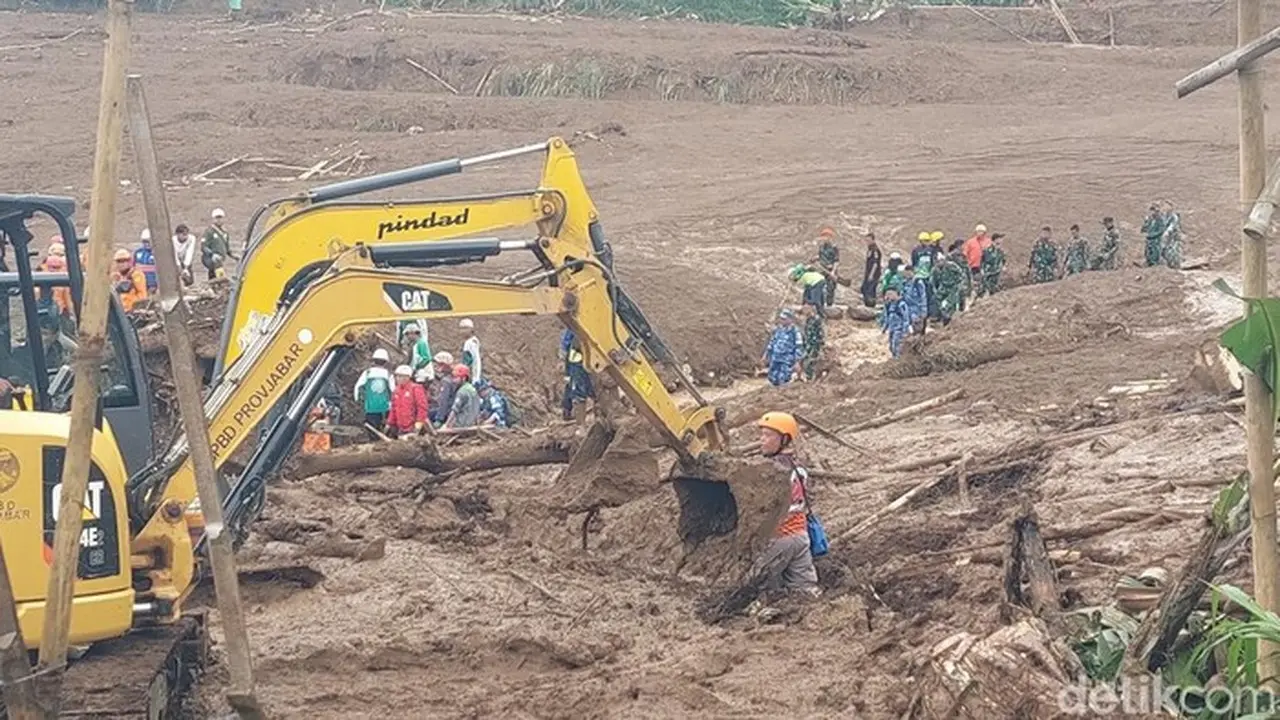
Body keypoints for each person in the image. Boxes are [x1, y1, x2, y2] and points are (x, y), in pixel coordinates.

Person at [748, 412, 818, 594]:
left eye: (768, 435)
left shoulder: (771, 470)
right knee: (806, 590)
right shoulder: (800, 467)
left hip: (779, 538)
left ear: (784, 439)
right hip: (801, 536)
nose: (762, 440)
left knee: (756, 585)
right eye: (762, 434)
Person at [354, 347, 395, 432]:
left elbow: (357, 387)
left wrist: (357, 400)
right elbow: (393, 391)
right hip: (385, 407)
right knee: (385, 429)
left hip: (371, 407)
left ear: (374, 360)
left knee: (372, 430)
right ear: (385, 362)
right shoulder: (388, 374)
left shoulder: (367, 373)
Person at [761, 308, 803, 387]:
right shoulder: (779, 330)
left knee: (783, 380)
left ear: (790, 319)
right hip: (775, 358)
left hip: (786, 360)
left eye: (784, 319)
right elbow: (772, 343)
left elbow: (799, 347)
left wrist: (797, 361)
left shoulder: (795, 331)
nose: (782, 321)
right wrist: (766, 355)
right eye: (781, 319)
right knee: (773, 379)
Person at [385, 365, 428, 437]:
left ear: (407, 377)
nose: (397, 379)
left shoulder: (415, 388)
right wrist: (389, 423)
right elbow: (393, 409)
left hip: (413, 427)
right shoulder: (396, 390)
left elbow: (422, 408)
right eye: (397, 376)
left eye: (400, 376)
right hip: (401, 428)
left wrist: (419, 423)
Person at [560, 328, 594, 421]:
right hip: (577, 355)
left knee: (572, 383)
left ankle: (568, 410)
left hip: (575, 355)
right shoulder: (576, 330)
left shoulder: (572, 330)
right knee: (577, 385)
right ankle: (579, 419)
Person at [932, 251, 967, 326]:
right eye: (936, 262)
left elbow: (961, 274)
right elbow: (933, 282)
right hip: (944, 287)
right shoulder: (935, 270)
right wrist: (936, 290)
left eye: (939, 261)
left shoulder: (951, 265)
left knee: (950, 302)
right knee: (937, 298)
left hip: (953, 286)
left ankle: (949, 316)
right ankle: (942, 315)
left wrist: (960, 284)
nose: (938, 264)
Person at [201, 208, 236, 281]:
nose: (219, 220)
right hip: (211, 259)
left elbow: (227, 248)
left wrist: (234, 256)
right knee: (217, 276)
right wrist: (212, 254)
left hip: (220, 260)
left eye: (220, 218)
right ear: (213, 219)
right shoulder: (209, 232)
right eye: (217, 218)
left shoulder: (225, 233)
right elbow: (203, 246)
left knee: (218, 276)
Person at [445, 364, 481, 428]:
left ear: (463, 378)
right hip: (472, 423)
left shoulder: (462, 391)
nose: (453, 380)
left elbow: (454, 410)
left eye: (456, 377)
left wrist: (446, 425)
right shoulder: (472, 389)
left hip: (462, 424)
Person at [880, 288, 912, 359]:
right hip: (891, 329)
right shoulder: (888, 305)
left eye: (890, 294)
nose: (888, 296)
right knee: (891, 346)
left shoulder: (901, 305)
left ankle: (898, 359)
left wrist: (905, 331)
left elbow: (906, 319)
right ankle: (894, 357)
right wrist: (884, 328)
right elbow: (887, 318)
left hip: (899, 329)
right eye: (887, 294)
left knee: (897, 345)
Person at [427, 351, 457, 426]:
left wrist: (439, 419)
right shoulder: (454, 377)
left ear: (444, 365)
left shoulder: (446, 381)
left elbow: (444, 401)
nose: (436, 366)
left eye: (438, 364)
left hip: (447, 411)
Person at [799, 303, 824, 382]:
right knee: (805, 361)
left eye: (806, 308)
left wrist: (820, 344)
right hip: (808, 344)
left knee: (811, 362)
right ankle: (808, 378)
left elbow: (820, 333)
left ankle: (811, 378)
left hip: (814, 345)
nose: (804, 310)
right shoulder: (807, 320)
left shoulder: (816, 319)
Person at [815, 227, 840, 307]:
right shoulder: (821, 247)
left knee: (830, 288)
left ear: (830, 237)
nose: (824, 238)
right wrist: (815, 258)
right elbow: (820, 256)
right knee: (820, 286)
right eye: (823, 236)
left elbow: (836, 261)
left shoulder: (834, 248)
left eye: (826, 236)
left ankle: (829, 305)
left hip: (830, 270)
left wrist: (833, 271)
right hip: (822, 270)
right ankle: (820, 304)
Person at [901, 264, 928, 335]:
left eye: (909, 273)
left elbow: (923, 296)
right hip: (908, 309)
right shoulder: (904, 283)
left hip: (917, 308)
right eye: (906, 274)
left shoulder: (918, 282)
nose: (907, 275)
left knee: (918, 328)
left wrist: (923, 310)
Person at [978, 233, 1006, 297]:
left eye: (1000, 243)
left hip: (996, 274)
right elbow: (982, 261)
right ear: (993, 241)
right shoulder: (987, 251)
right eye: (997, 243)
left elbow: (1003, 260)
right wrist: (982, 270)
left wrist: (1003, 266)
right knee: (986, 291)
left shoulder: (1001, 252)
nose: (999, 244)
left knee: (995, 291)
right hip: (988, 274)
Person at [133, 229, 158, 294]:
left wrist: (155, 284)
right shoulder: (138, 252)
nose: (147, 244)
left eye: (149, 242)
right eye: (145, 242)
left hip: (153, 285)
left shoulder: (157, 253)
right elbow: (133, 267)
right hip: (139, 284)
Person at [860, 231, 882, 308]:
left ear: (873, 240)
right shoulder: (869, 250)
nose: (867, 242)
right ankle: (867, 304)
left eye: (868, 240)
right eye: (866, 241)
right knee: (864, 288)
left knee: (870, 290)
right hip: (868, 273)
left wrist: (871, 274)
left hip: (873, 274)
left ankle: (871, 305)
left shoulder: (875, 250)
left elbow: (875, 263)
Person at [1161, 200, 1183, 269]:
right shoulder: (1163, 216)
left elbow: (1173, 225)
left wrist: (1167, 231)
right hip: (1166, 238)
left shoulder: (1174, 216)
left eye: (1167, 206)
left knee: (1173, 251)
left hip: (1173, 237)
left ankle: (1175, 264)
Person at [459, 318, 482, 382]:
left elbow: (470, 360)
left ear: (471, 329)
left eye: (465, 328)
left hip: (472, 375)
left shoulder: (470, 342)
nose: (462, 331)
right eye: (461, 329)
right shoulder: (473, 341)